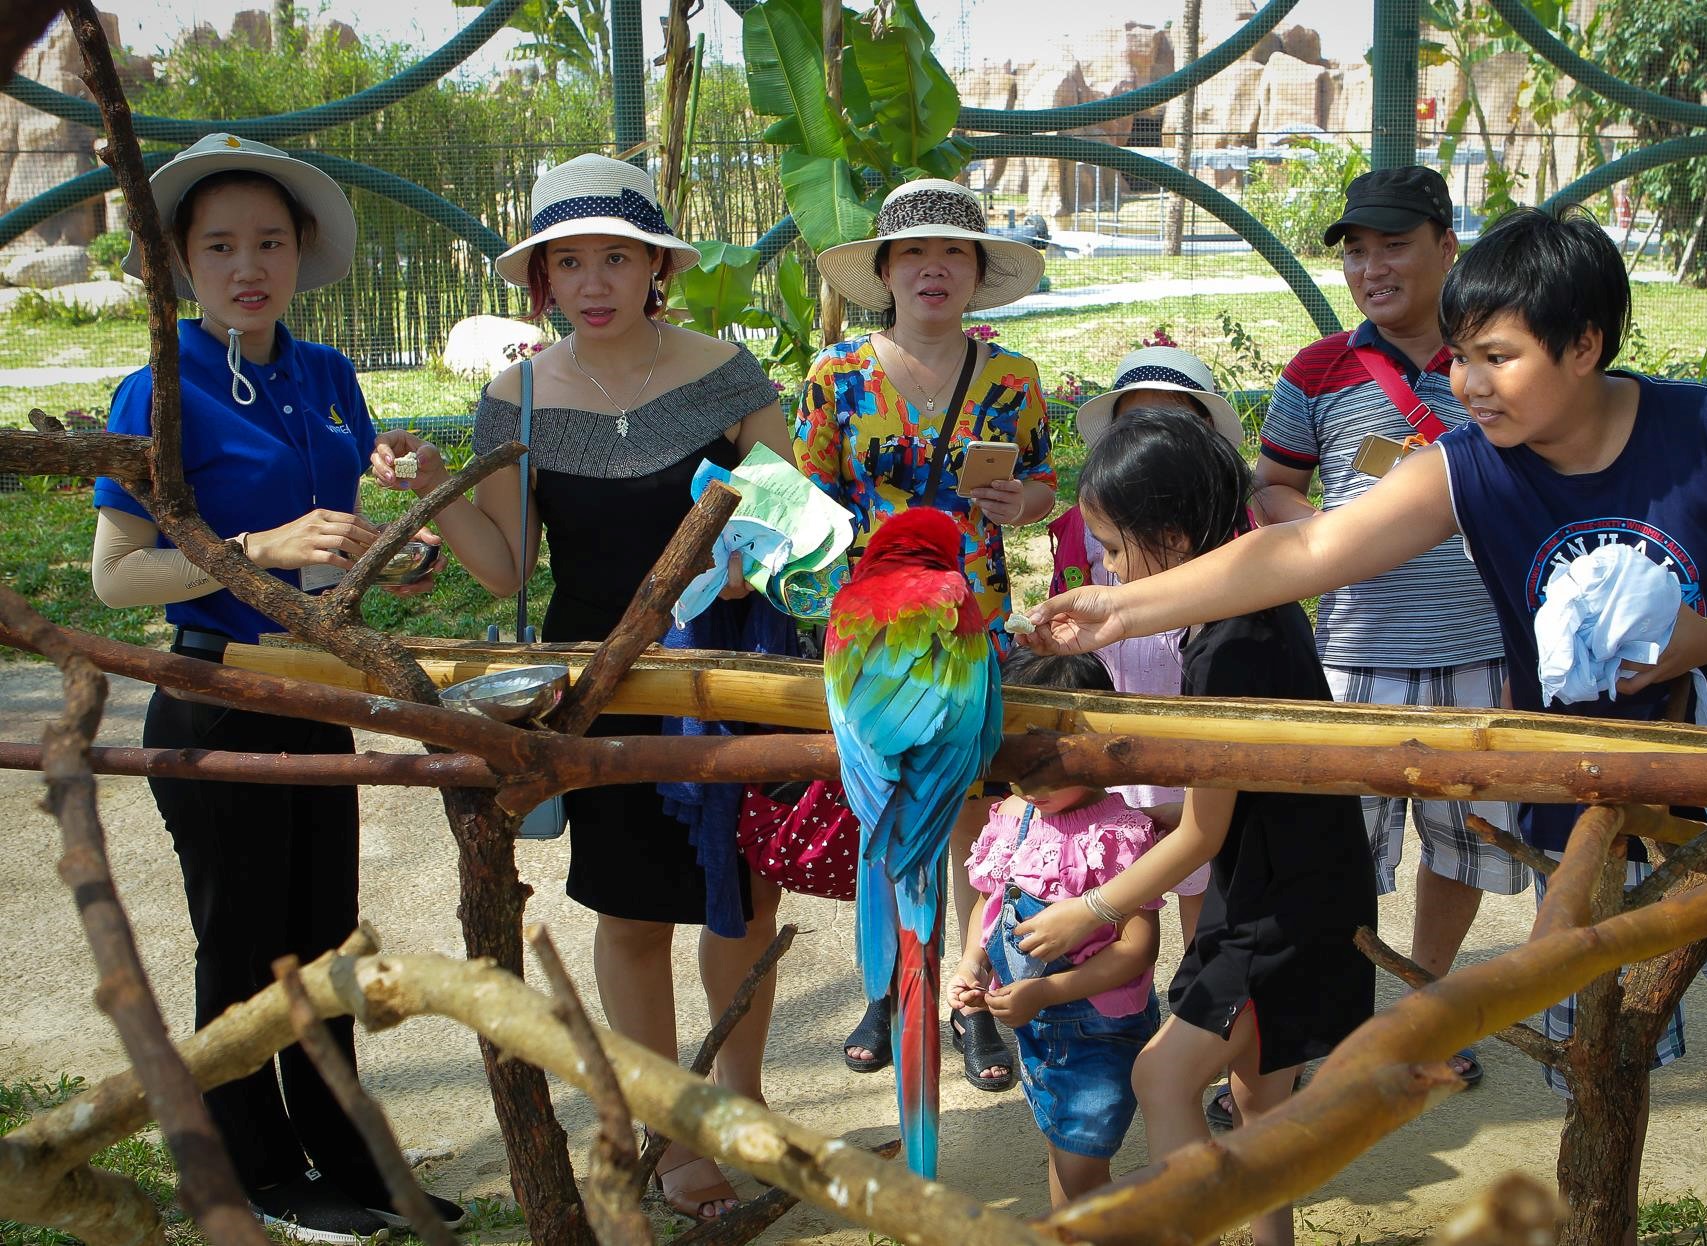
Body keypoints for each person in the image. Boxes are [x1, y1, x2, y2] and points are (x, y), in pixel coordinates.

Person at [1030, 207, 1707, 1246]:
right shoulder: (1467, 465)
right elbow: (1303, 553)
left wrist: (1701, 639)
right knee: (1599, 1041)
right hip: (1587, 802)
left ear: (1584, 343)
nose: (1465, 383)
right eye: (1460, 357)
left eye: (1496, 357)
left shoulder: (1706, 432)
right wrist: (1126, 606)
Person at [373, 154, 790, 1223]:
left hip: (726, 671)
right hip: (590, 682)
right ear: (541, 280)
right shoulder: (513, 396)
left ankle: (742, 1105)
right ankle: (672, 1136)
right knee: (630, 907)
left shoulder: (726, 371)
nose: (594, 280)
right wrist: (434, 491)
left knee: (740, 897)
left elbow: (790, 514)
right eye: (570, 261)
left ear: (655, 267)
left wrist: (754, 546)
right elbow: (508, 567)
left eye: (616, 257)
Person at [90, 133, 462, 1240]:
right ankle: (258, 1166)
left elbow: (332, 555)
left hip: (316, 689)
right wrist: (255, 541)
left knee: (320, 929)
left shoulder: (327, 375)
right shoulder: (154, 389)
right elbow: (119, 578)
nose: (245, 266)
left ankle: (347, 1153)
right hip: (216, 694)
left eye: (267, 242)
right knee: (243, 937)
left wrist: (403, 544)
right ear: (180, 264)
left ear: (300, 252)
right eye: (218, 246)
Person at [1015, 409, 1378, 1246]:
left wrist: (1094, 909)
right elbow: (1229, 799)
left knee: (1162, 1077)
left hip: (1273, 901)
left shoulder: (1226, 649)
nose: (1105, 567)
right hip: (1302, 873)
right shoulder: (1255, 609)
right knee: (1257, 1098)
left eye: (1111, 547)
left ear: (1171, 539)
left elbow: (1203, 835)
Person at [1251, 165, 1525, 1093]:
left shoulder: (1499, 360)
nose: (1372, 268)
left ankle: (1427, 1004)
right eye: (1357, 252)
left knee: (1462, 843)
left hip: (1484, 653)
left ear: (1448, 246)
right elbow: (1271, 484)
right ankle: (1333, 1023)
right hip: (1353, 655)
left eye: (1393, 246)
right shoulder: (1316, 372)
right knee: (1334, 855)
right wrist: (1328, 538)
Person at [797, 177, 1057, 1092]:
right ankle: (886, 985)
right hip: (869, 639)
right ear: (885, 271)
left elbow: (1044, 489)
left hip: (969, 628)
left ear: (978, 272)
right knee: (881, 812)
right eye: (913, 253)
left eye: (953, 253)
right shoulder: (836, 376)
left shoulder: (1012, 378)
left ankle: (968, 997)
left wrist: (1013, 501)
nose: (933, 269)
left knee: (973, 820)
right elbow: (810, 499)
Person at [950, 649, 1165, 1207]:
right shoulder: (1015, 814)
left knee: (1081, 1168)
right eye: (1016, 763)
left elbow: (1138, 949)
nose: (1031, 783)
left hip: (1096, 1028)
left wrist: (1047, 991)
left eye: (1049, 764)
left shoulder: (1118, 832)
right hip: (1035, 1022)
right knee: (1063, 1150)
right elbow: (988, 902)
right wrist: (972, 965)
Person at [1060, 345, 1246, 942]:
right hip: (1119, 720)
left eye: (1171, 421)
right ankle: (1126, 1006)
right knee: (1125, 871)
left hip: (1191, 728)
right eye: (1134, 422)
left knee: (1198, 883)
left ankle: (1198, 990)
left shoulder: (1239, 548)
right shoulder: (1084, 524)